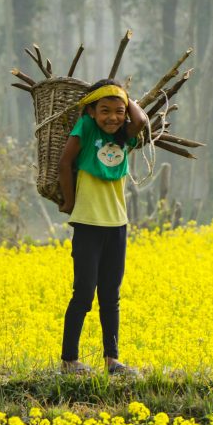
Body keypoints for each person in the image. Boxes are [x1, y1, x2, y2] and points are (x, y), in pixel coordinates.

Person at [56, 79, 148, 376]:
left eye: (118, 111)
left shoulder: (126, 136)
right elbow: (64, 163)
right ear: (92, 112)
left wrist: (124, 96)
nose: (112, 117)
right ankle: (69, 359)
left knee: (111, 294)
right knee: (83, 293)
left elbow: (141, 120)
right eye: (104, 110)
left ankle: (112, 359)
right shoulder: (85, 128)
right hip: (87, 223)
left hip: (117, 224)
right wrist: (69, 202)